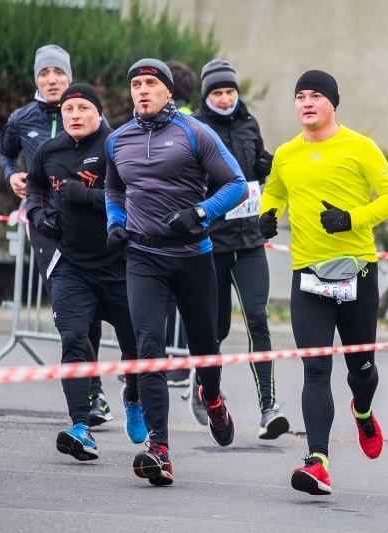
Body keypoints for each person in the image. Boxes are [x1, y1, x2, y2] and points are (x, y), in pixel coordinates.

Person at [259, 70, 388, 495]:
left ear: (332, 104)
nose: (307, 103)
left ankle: (362, 412)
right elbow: (275, 192)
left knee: (362, 371)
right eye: (300, 96)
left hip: (356, 273)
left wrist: (351, 219)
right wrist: (267, 215)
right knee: (316, 368)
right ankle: (317, 461)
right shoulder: (287, 153)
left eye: (317, 96)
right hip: (308, 277)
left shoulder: (360, 147)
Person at [104, 58, 247, 486]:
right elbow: (114, 188)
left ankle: (213, 395)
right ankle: (159, 448)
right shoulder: (118, 140)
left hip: (192, 256)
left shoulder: (193, 132)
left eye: (151, 83)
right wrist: (114, 221)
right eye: (136, 84)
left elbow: (236, 183)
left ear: (168, 91)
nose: (142, 90)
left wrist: (200, 212)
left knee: (205, 345)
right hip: (143, 257)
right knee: (150, 349)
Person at [24, 83, 147, 461]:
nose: (74, 115)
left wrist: (88, 197)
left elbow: (136, 195)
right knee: (74, 339)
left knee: (136, 346)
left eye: (82, 108)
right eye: (67, 109)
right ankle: (80, 426)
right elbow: (34, 186)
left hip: (120, 264)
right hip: (72, 266)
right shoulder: (50, 150)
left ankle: (133, 396)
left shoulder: (116, 145)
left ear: (97, 111)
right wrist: (38, 214)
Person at [0, 44, 113, 426]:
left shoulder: (87, 117)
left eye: (58, 74)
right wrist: (10, 174)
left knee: (87, 307)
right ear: (36, 79)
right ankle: (90, 390)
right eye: (44, 74)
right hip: (44, 225)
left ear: (68, 77)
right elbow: (4, 155)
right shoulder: (21, 118)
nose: (52, 80)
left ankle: (93, 391)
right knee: (73, 308)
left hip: (84, 222)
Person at [191, 58, 289, 439]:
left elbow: (254, 168)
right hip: (211, 244)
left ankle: (269, 407)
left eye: (230, 91)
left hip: (249, 242)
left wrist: (264, 165)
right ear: (207, 96)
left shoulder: (249, 123)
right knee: (212, 328)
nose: (226, 98)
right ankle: (206, 392)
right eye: (218, 92)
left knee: (257, 319)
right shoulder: (195, 128)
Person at [163, 60, 198, 387]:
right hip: (177, 221)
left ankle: (177, 362)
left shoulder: (181, 123)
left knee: (177, 297)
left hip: (178, 222)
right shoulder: (190, 120)